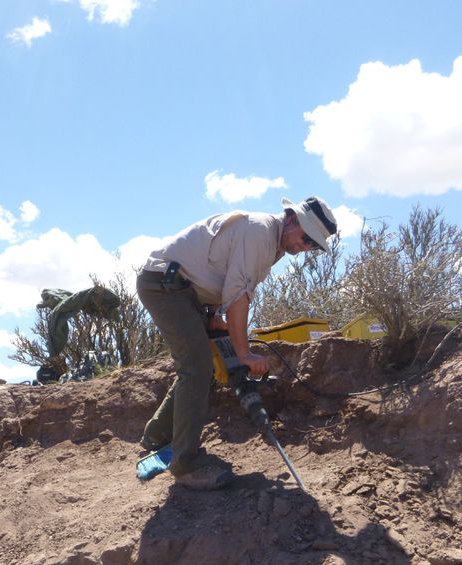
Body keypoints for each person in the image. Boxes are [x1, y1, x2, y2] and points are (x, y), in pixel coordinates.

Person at [137, 196, 338, 490]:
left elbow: (226, 281)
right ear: (292, 218)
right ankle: (185, 464)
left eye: (313, 245)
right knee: (196, 366)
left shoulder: (274, 244)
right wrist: (243, 353)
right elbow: (238, 294)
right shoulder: (259, 231)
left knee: (198, 364)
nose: (305, 247)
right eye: (306, 237)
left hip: (186, 291)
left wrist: (217, 318)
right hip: (166, 286)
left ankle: (156, 435)